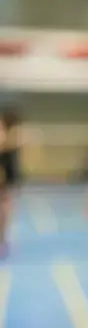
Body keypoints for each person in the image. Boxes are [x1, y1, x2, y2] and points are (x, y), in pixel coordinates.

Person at [0, 107, 22, 256]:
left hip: (7, 185)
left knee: (5, 213)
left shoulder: (11, 144)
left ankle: (3, 241)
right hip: (4, 184)